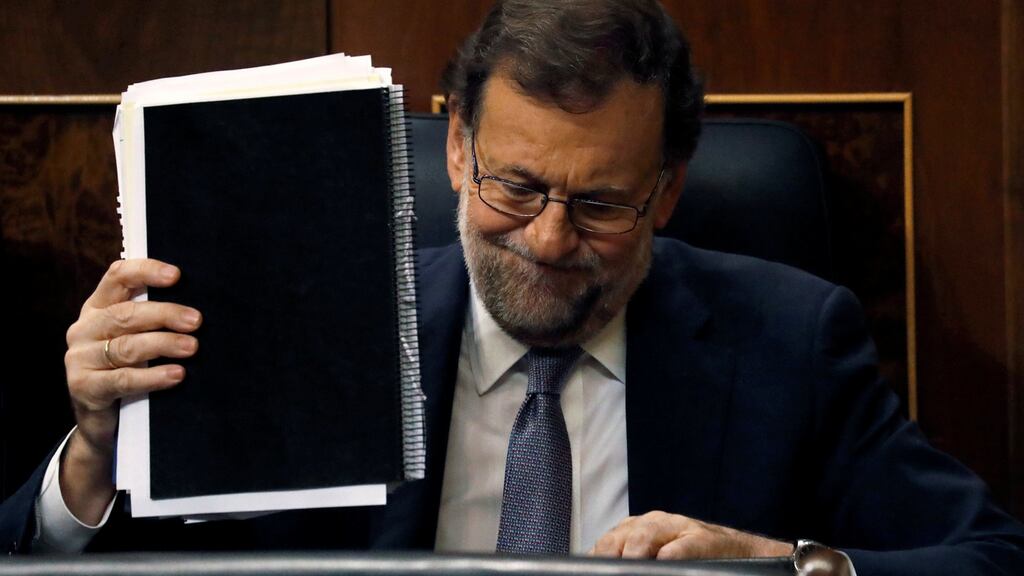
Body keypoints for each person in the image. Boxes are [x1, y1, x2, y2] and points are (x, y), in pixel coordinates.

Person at [3, 0, 1024, 572]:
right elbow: (67, 562)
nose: (544, 240)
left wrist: (790, 568)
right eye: (515, 186)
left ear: (667, 193)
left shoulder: (791, 341)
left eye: (600, 204)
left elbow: (990, 557)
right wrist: (96, 448)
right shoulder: (306, 318)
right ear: (453, 152)